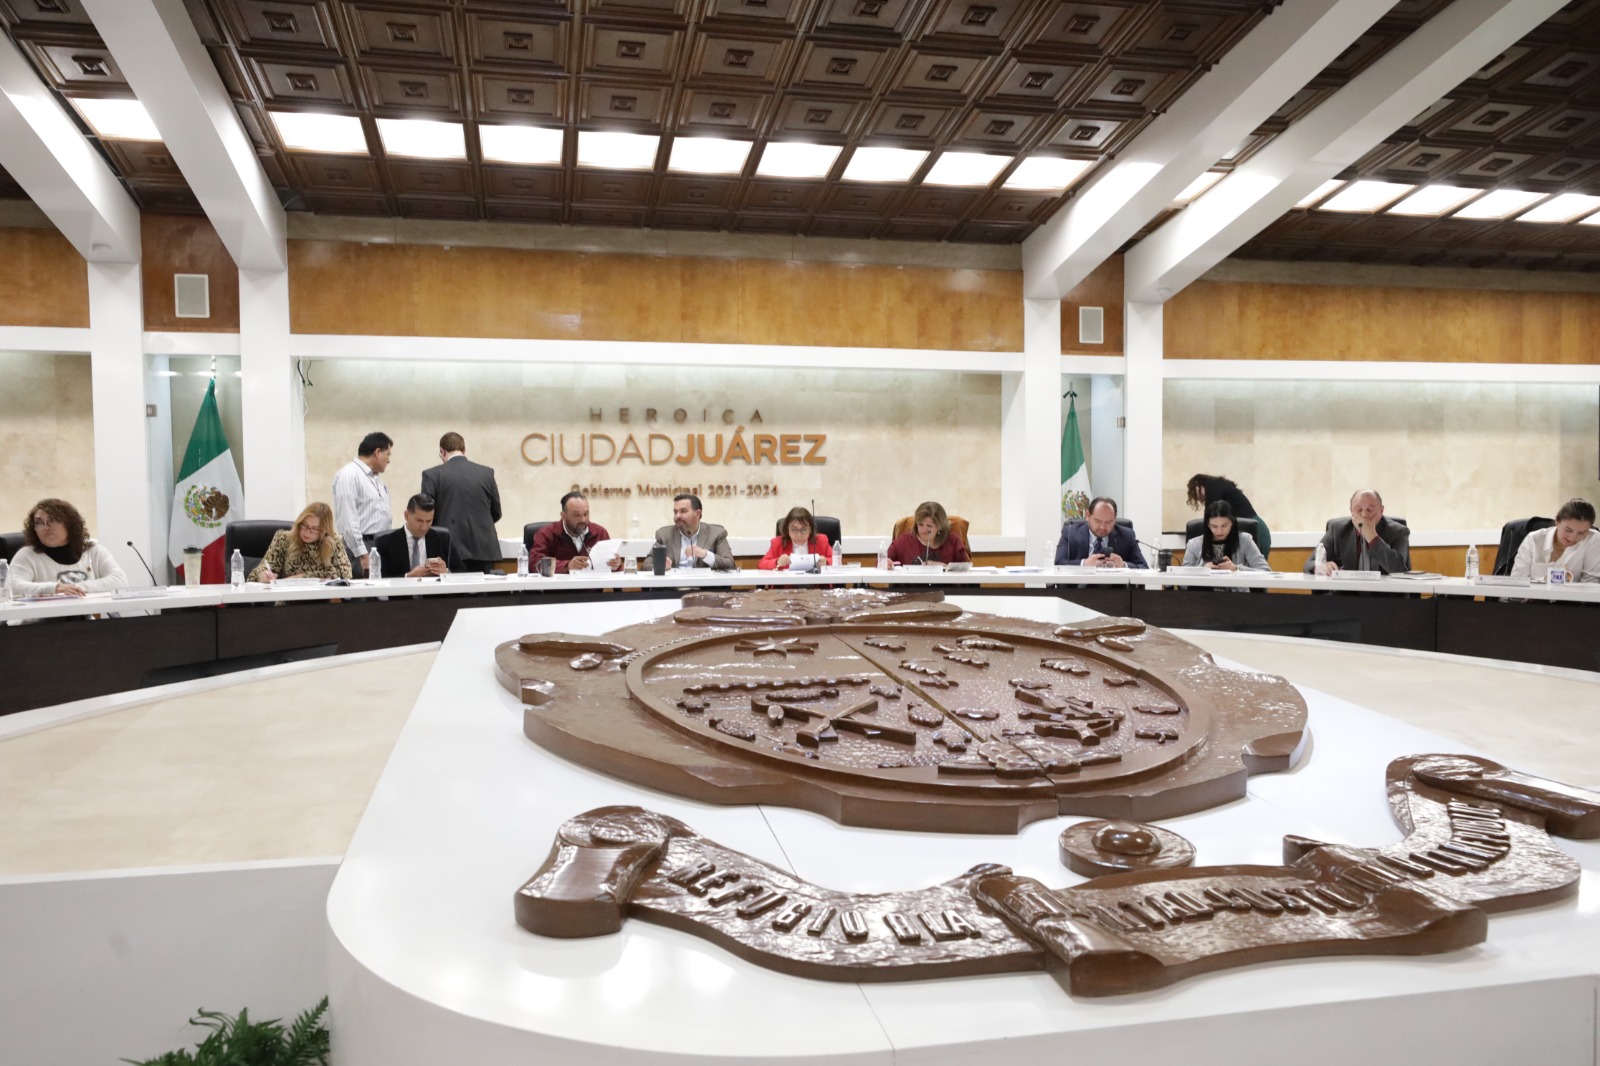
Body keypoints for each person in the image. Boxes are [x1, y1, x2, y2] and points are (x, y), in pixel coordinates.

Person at [9, 498, 128, 597]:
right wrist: (54, 588)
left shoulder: (93, 551)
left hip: (87, 616)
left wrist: (77, 588)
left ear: (70, 524)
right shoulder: (27, 555)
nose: (46, 527)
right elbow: (12, 586)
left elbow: (120, 581)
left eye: (53, 520)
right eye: (39, 522)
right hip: (42, 618)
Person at [420, 432, 503, 573]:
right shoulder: (487, 473)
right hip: (483, 548)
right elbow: (496, 512)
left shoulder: (431, 475)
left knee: (452, 587)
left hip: (448, 548)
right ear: (464, 450)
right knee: (484, 587)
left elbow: (426, 514)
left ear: (442, 451)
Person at [332, 431, 394, 575]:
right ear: (377, 452)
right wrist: (362, 554)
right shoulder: (349, 475)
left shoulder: (375, 478)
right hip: (361, 547)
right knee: (362, 588)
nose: (389, 460)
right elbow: (348, 521)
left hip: (379, 545)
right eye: (388, 454)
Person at [1309, 489, 1410, 575]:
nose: (1364, 515)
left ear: (1381, 510)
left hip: (1384, 591)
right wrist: (1322, 567)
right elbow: (1310, 563)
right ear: (1351, 511)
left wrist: (1372, 536)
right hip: (1346, 591)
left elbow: (1399, 569)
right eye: (1359, 510)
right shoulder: (1337, 529)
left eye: (1369, 510)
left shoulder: (1398, 531)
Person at [250, 502, 352, 583]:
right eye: (304, 525)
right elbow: (255, 575)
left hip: (323, 599)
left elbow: (346, 575)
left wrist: (301, 577)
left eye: (315, 529)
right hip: (289, 599)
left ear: (325, 530)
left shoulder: (333, 542)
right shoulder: (284, 539)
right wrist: (263, 576)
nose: (307, 532)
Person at [1510, 498, 1600, 582]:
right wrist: (1547, 580)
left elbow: (1591, 584)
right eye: (1568, 530)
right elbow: (1517, 582)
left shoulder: (1593, 539)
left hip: (1572, 595)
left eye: (1581, 533)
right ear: (1557, 520)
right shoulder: (1534, 540)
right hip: (1532, 594)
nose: (1572, 538)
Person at [373, 494, 460, 578]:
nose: (424, 527)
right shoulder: (386, 543)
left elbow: (462, 572)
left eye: (429, 521)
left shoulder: (442, 539)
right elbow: (381, 579)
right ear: (407, 516)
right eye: (419, 521)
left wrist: (446, 572)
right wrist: (408, 576)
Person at [1186, 474, 1271, 558]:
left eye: (1194, 493)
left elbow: (1210, 514)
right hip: (1258, 528)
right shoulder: (1221, 486)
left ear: (1197, 486)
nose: (1198, 498)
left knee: (1256, 564)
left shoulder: (1213, 485)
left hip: (1257, 530)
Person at [530, 492, 617, 573]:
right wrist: (566, 566)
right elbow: (535, 563)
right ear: (563, 515)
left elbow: (612, 565)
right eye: (576, 515)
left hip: (591, 584)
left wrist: (617, 565)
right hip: (560, 584)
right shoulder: (546, 534)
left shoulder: (600, 533)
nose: (583, 520)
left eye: (586, 514)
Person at [1055, 496, 1147, 568]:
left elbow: (1143, 567)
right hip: (1080, 586)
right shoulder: (1070, 532)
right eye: (1098, 521)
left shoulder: (1127, 535)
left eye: (1108, 522)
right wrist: (1084, 564)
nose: (1102, 527)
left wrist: (1123, 565)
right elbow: (1059, 563)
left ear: (1115, 518)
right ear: (1088, 516)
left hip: (1114, 586)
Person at [654, 493, 735, 571]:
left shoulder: (716, 533)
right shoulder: (664, 535)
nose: (677, 516)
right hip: (675, 580)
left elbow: (730, 564)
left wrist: (705, 554)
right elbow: (648, 564)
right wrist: (659, 566)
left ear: (698, 514)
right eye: (675, 512)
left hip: (704, 580)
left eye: (683, 511)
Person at [1182, 500, 1269, 571]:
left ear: (1232, 523)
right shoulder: (1194, 544)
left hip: (1236, 587)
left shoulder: (1245, 540)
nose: (1219, 531)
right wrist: (1202, 571)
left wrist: (1237, 568)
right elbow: (1183, 581)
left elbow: (1265, 571)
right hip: (1204, 588)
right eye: (1214, 526)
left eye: (1224, 526)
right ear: (1208, 525)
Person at [887, 500, 970, 566]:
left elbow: (965, 569)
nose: (923, 530)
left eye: (929, 526)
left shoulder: (953, 541)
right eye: (920, 524)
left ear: (940, 526)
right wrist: (885, 563)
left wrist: (943, 567)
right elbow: (883, 561)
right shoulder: (903, 542)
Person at [760, 507, 833, 570]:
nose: (799, 535)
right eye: (794, 529)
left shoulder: (821, 541)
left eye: (804, 529)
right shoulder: (778, 543)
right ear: (787, 529)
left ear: (810, 529)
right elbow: (762, 564)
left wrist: (826, 562)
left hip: (816, 582)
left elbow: (835, 560)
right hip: (788, 581)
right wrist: (777, 561)